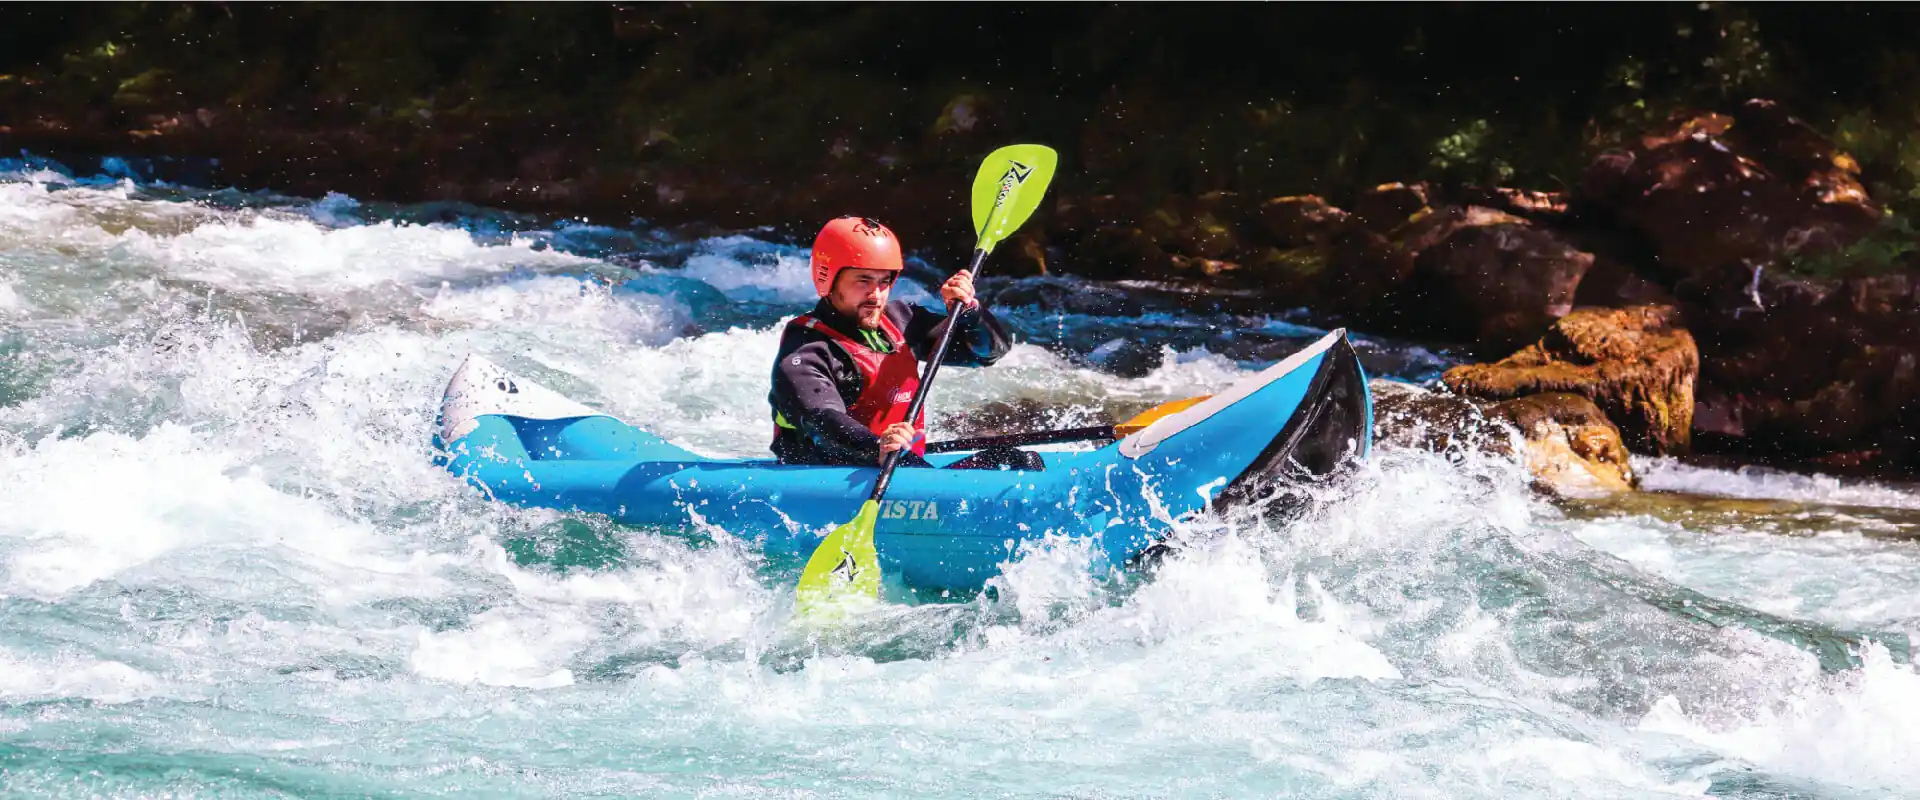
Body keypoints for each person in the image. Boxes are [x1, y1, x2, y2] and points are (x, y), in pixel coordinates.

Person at [768, 216, 1038, 470]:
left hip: (902, 468)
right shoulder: (806, 348)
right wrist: (876, 446)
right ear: (828, 278)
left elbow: (988, 353)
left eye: (884, 281)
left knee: (1014, 461)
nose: (876, 295)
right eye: (863, 281)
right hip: (833, 476)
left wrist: (970, 314)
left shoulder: (900, 321)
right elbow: (821, 420)